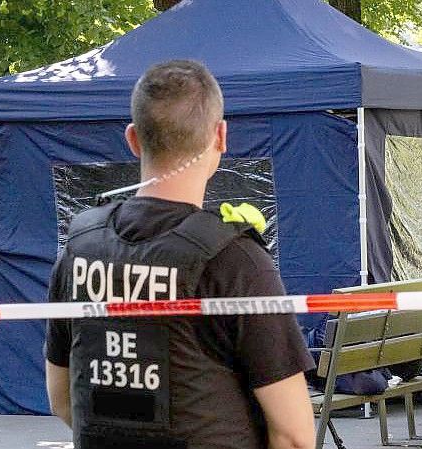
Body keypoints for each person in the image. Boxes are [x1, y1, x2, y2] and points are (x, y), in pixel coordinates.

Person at [45, 60, 316, 449]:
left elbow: (63, 398)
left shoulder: (79, 249)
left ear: (133, 139)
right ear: (221, 136)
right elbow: (293, 436)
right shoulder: (235, 262)